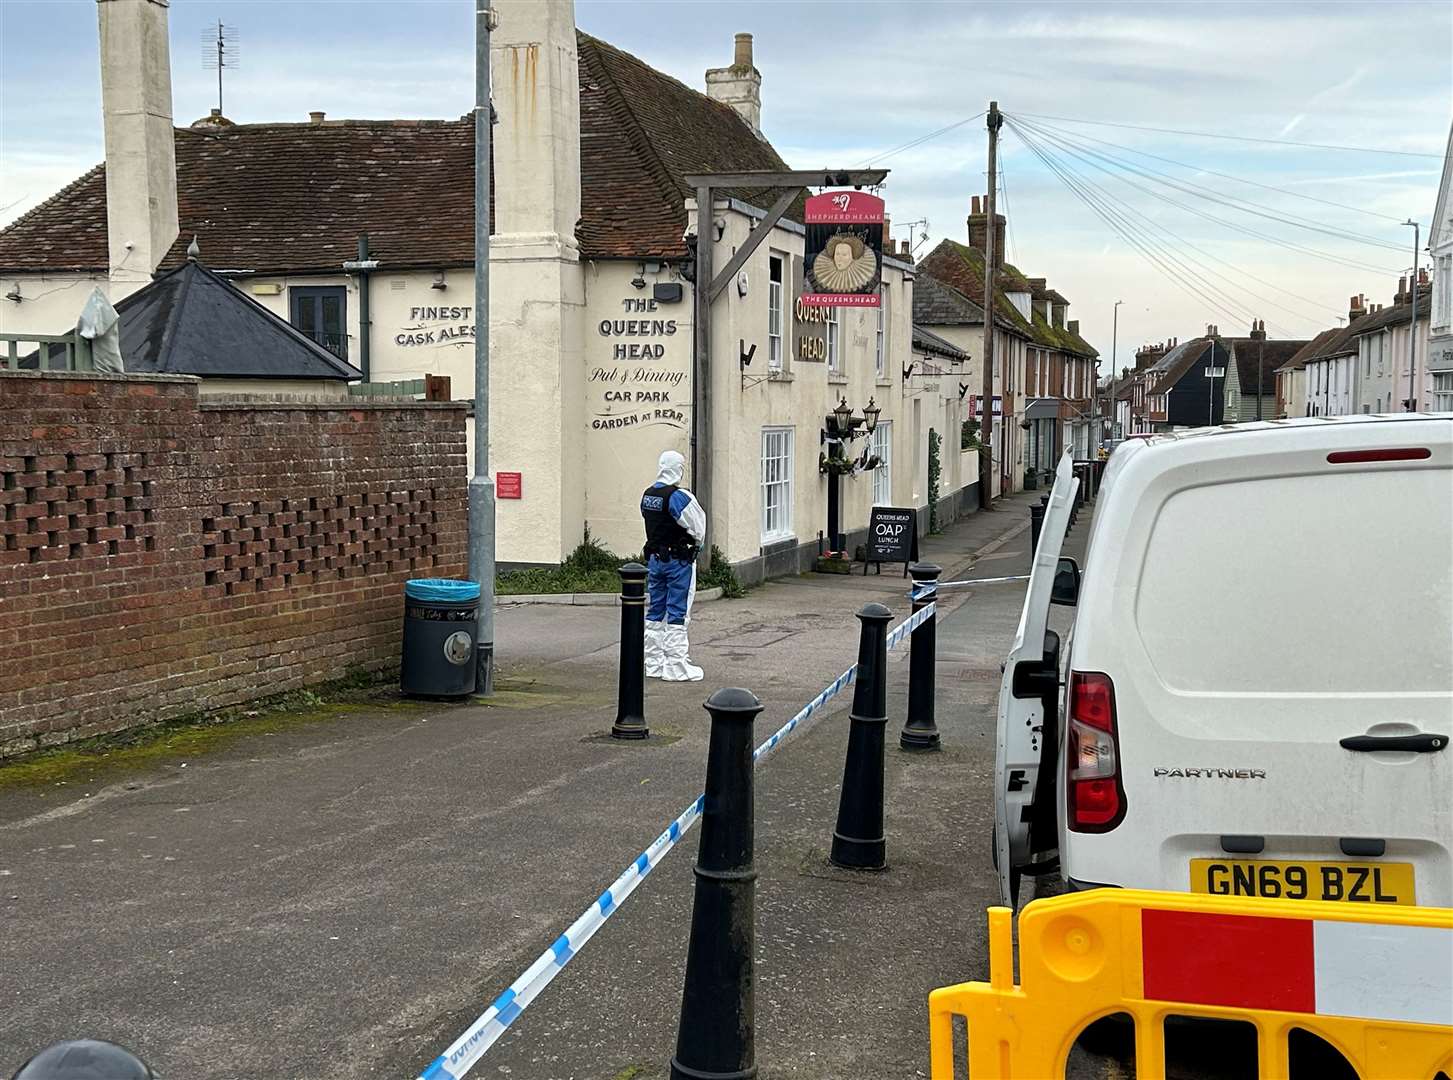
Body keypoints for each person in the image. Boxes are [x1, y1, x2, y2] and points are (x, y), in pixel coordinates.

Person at [640, 449, 706, 681]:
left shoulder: (648, 495)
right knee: (678, 611)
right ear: (678, 468)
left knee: (656, 610)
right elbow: (698, 527)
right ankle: (676, 666)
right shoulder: (678, 497)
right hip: (678, 562)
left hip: (655, 561)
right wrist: (696, 545)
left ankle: (652, 663)